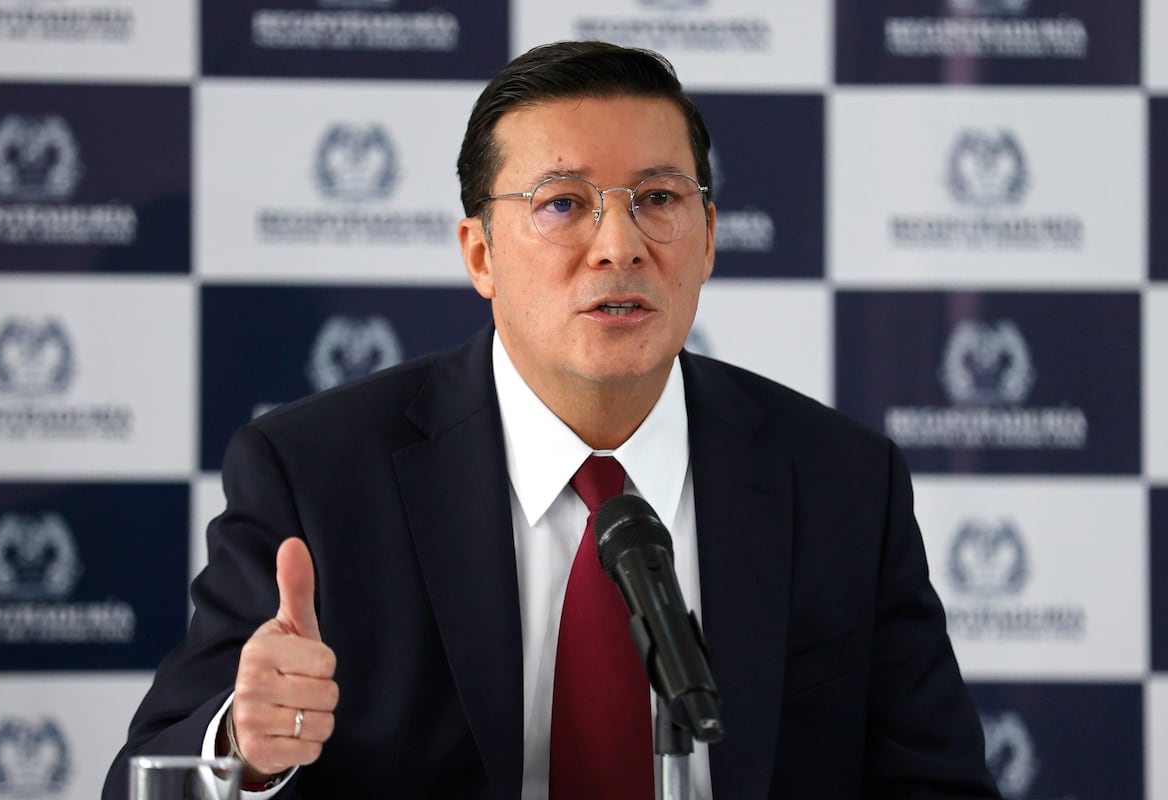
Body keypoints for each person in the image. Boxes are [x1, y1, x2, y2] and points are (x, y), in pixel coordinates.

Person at [103, 40, 1001, 799]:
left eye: (659, 200)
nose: (619, 246)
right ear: (481, 255)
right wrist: (243, 747)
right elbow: (147, 775)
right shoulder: (318, 476)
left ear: (709, 239)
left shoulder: (842, 483)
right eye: (563, 204)